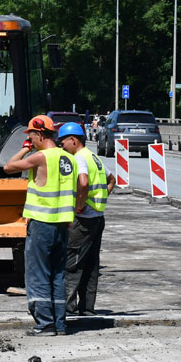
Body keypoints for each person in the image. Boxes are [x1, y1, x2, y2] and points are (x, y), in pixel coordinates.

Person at [3, 115, 83, 336]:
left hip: (41, 224)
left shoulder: (40, 157)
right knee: (57, 275)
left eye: (31, 136)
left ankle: (45, 324)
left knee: (37, 275)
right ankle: (59, 324)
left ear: (39, 134)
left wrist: (25, 149)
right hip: (62, 225)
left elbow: (8, 167)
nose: (30, 139)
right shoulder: (69, 159)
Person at [58, 122, 116, 316]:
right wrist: (100, 199)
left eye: (63, 142)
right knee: (91, 265)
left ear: (73, 140)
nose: (62, 147)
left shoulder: (79, 158)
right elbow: (112, 180)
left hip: (84, 220)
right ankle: (87, 307)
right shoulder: (93, 157)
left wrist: (79, 206)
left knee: (72, 262)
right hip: (98, 218)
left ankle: (67, 306)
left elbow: (83, 183)